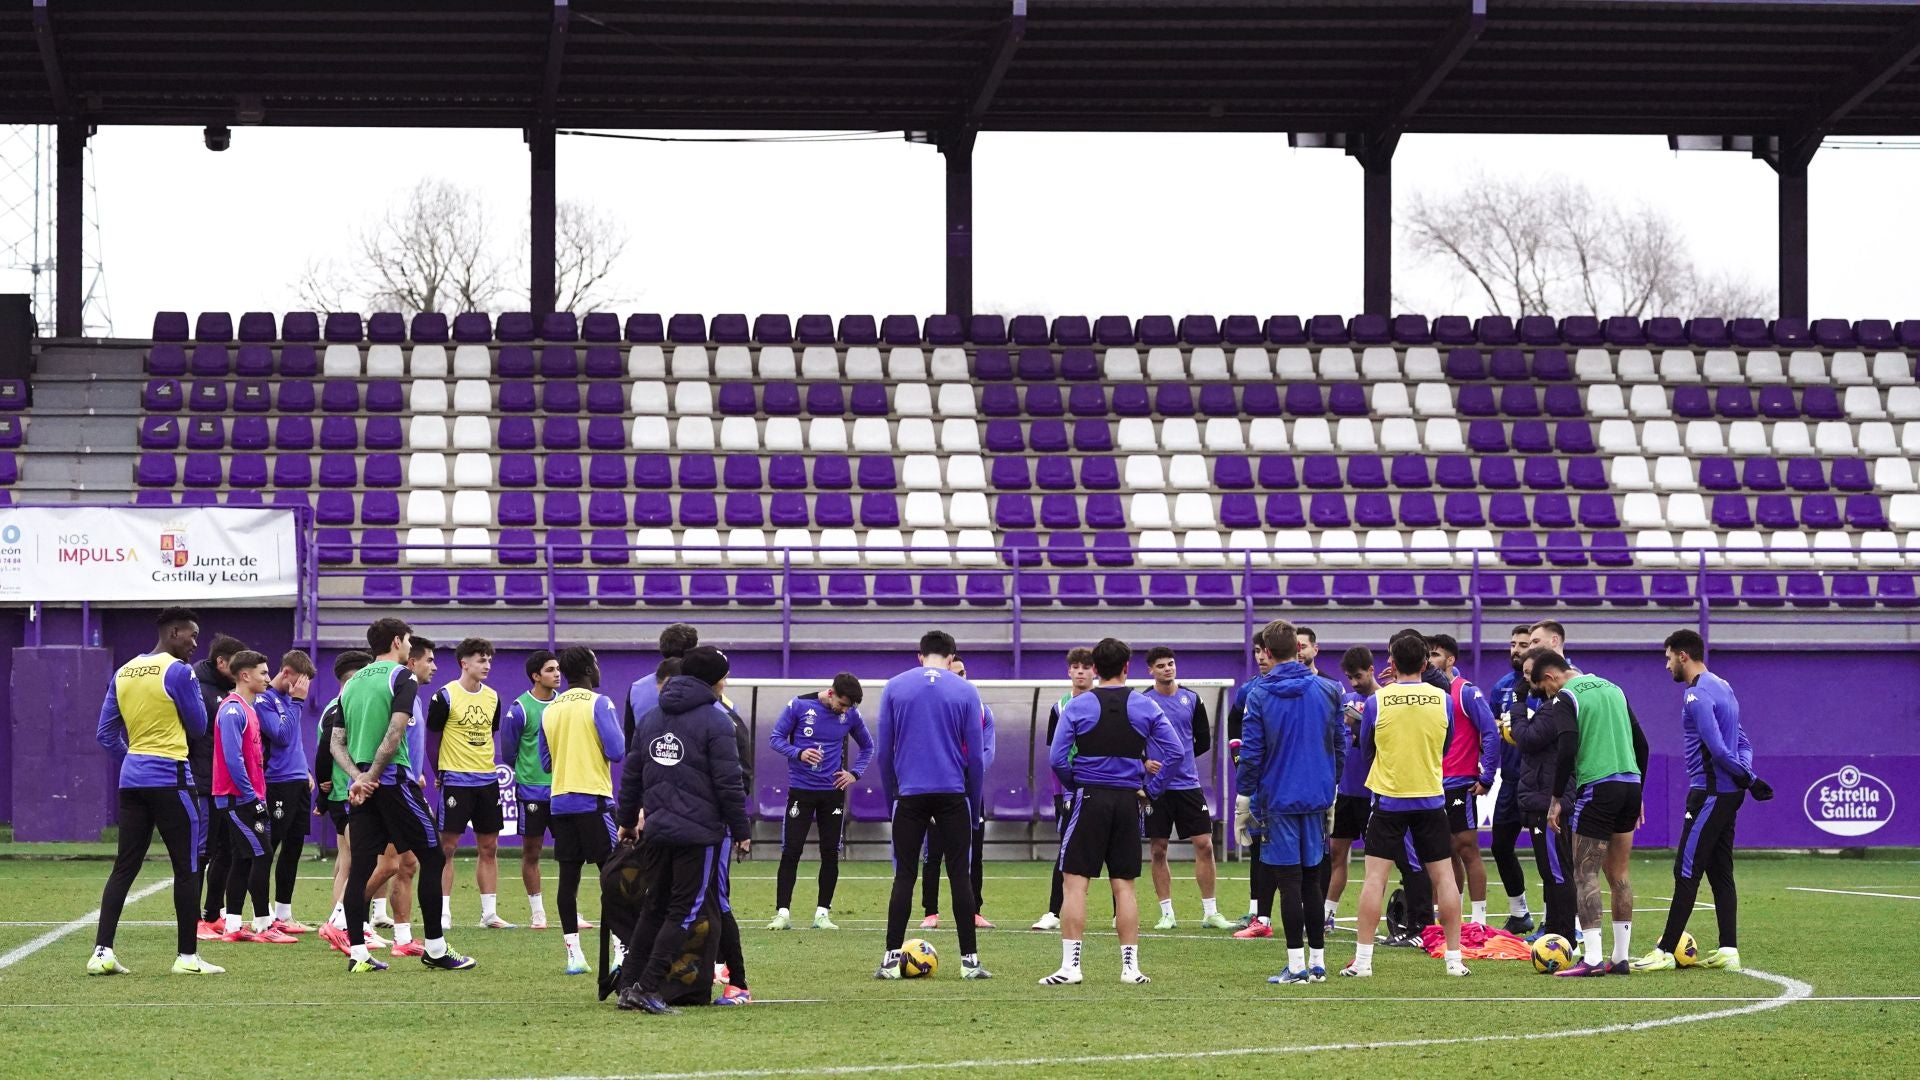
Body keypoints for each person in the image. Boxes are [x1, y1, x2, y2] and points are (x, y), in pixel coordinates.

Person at [331, 618, 474, 974]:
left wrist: (359, 778)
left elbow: (336, 742)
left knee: (362, 867)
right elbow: (395, 733)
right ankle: (436, 950)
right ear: (397, 642)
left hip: (365, 785)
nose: (410, 648)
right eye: (409, 641)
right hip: (392, 781)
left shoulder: (350, 686)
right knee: (433, 856)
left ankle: (358, 954)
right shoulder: (401, 676)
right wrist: (374, 777)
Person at [615, 646, 751, 1015]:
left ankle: (627, 985)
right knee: (685, 912)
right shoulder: (717, 720)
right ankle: (648, 986)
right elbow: (729, 783)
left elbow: (631, 777)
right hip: (699, 833)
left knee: (653, 909)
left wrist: (627, 822)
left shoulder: (652, 717)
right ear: (714, 679)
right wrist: (741, 830)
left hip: (658, 830)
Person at [89, 607, 221, 976]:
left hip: (132, 781)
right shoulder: (179, 672)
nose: (195, 644)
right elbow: (197, 726)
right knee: (188, 866)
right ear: (174, 632)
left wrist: (134, 758)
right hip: (172, 779)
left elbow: (105, 734)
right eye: (192, 636)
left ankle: (102, 953)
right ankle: (187, 958)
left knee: (124, 867)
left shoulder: (124, 671)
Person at [1043, 637, 1182, 986]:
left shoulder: (1077, 706)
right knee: (1125, 886)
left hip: (1090, 798)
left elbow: (1057, 758)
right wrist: (1151, 789)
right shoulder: (1146, 706)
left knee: (1075, 884)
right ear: (1126, 667)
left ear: (1094, 669)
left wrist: (1077, 784)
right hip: (1127, 801)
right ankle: (1130, 969)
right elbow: (1176, 753)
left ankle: (1071, 968)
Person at [1634, 630, 1774, 973]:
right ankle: (1729, 949)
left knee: (1686, 868)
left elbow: (1716, 748)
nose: (1667, 666)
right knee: (1720, 871)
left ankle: (1665, 950)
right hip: (1729, 795)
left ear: (1683, 656)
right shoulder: (1723, 686)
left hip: (1709, 794)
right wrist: (1746, 777)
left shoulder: (1695, 696)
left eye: (1668, 658)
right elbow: (1743, 742)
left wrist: (1749, 779)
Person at [1342, 633, 1470, 978]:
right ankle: (1454, 960)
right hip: (1430, 797)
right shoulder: (1444, 700)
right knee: (1444, 878)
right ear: (1426, 664)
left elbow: (1367, 749)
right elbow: (1445, 745)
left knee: (1374, 880)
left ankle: (1364, 963)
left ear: (1392, 664)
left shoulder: (1377, 702)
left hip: (1389, 798)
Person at [874, 630, 992, 981]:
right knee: (960, 876)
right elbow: (977, 758)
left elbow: (884, 753)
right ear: (952, 658)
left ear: (919, 655)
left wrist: (891, 796)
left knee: (905, 876)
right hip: (953, 793)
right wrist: (972, 802)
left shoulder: (894, 686)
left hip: (909, 794)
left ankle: (890, 961)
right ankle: (970, 963)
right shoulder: (966, 690)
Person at [1237, 620, 1344, 985]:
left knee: (1289, 883)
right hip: (1315, 797)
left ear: (1266, 652)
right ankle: (1317, 963)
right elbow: (1339, 744)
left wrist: (1243, 798)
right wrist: (1331, 785)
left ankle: (1297, 966)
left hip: (1277, 799)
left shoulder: (1259, 694)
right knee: (1312, 880)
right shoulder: (1329, 690)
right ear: (1298, 649)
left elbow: (1251, 753)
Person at [1531, 649, 1649, 977]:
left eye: (1544, 688)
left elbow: (1567, 746)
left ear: (1551, 677)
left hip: (1597, 788)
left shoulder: (1566, 697)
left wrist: (1556, 797)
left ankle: (1594, 958)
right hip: (1629, 785)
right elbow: (1643, 744)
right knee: (1620, 874)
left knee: (1585, 874)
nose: (1547, 695)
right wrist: (1639, 787)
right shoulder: (1614, 688)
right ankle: (1621, 957)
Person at [536, 646, 626, 977]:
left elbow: (546, 761)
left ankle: (574, 955)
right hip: (594, 799)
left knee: (568, 879)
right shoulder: (600, 703)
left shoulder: (550, 708)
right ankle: (620, 950)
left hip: (560, 802)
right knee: (613, 877)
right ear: (589, 669)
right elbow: (617, 750)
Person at [209, 650, 300, 945]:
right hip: (238, 798)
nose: (266, 677)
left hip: (247, 796)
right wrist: (252, 797)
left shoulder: (248, 709)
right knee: (261, 854)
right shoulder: (233, 709)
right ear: (245, 676)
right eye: (262, 672)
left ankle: (234, 925)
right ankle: (263, 923)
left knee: (244, 859)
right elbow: (233, 760)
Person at [769, 672, 871, 931]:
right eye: (842, 704)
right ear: (831, 692)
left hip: (832, 793)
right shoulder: (799, 706)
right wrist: (799, 753)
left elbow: (868, 746)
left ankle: (822, 914)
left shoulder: (850, 716)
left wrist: (854, 773)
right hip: (801, 791)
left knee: (830, 853)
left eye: (848, 707)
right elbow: (776, 739)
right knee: (791, 851)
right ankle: (782, 913)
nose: (843, 710)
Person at [1139, 646, 1229, 930]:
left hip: (1189, 784)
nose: (1168, 669)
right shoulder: (1142, 702)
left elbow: (1203, 740)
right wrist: (1145, 761)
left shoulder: (1192, 699)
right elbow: (1132, 740)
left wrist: (1181, 759)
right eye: (1161, 665)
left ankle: (1210, 912)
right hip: (1157, 787)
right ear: (1150, 670)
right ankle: (1167, 913)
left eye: (1171, 664)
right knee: (1158, 849)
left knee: (1204, 845)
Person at [428, 637, 514, 931]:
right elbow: (432, 740)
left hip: (487, 781)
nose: (486, 665)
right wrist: (439, 770)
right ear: (464, 663)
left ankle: (489, 913)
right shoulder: (445, 696)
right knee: (447, 847)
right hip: (456, 779)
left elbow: (491, 735)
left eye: (489, 659)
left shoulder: (493, 697)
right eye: (481, 659)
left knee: (489, 846)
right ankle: (443, 913)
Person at [1426, 633, 1499, 926]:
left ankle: (1479, 921)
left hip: (1458, 783)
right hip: (1429, 785)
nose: (1430, 660)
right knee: (1439, 853)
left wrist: (1487, 776)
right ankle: (1445, 918)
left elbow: (1490, 732)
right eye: (1427, 655)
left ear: (1450, 659)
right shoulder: (1423, 692)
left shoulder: (1466, 691)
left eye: (1435, 654)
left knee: (1466, 847)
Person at [920, 654, 996, 930]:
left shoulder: (983, 711)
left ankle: (974, 911)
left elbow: (987, 751)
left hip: (969, 790)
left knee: (974, 852)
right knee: (934, 853)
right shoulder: (933, 713)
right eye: (953, 673)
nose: (959, 678)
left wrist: (969, 773)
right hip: (938, 788)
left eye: (962, 673)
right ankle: (931, 912)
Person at [1510, 651, 1576, 943]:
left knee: (1557, 871)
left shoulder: (1553, 707)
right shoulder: (1551, 706)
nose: (1528, 682)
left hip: (1548, 799)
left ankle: (1563, 935)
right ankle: (1557, 930)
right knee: (1552, 871)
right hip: (1543, 796)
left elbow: (1527, 739)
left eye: (1529, 676)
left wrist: (1517, 703)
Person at [1033, 647, 1096, 931]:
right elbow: (1054, 755)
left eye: (1086, 666)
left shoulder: (1104, 703)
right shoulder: (1059, 708)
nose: (1081, 671)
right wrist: (1059, 796)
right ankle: (1053, 913)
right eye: (1076, 667)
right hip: (1072, 790)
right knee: (1065, 851)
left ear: (1095, 670)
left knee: (1110, 851)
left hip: (1104, 785)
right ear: (1069, 671)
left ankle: (1119, 914)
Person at [498, 649, 562, 929]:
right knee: (532, 852)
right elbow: (510, 752)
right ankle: (538, 911)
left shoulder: (564, 705)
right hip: (532, 791)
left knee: (569, 853)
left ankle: (568, 907)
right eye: (550, 670)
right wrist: (528, 772)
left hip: (563, 789)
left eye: (558, 669)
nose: (557, 674)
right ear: (536, 676)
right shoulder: (519, 709)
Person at [316, 650, 375, 954]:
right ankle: (342, 926)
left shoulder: (341, 705)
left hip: (343, 793)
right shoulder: (338, 709)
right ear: (353, 677)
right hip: (344, 793)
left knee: (346, 860)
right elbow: (326, 750)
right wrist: (324, 794)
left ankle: (344, 925)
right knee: (356, 861)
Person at [255, 649, 316, 935]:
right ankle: (262, 914)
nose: (304, 689)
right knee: (269, 847)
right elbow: (281, 736)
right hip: (276, 782)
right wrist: (298, 701)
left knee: (293, 848)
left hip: (297, 782)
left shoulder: (290, 702)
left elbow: (294, 743)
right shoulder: (264, 700)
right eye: (301, 681)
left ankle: (284, 914)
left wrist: (304, 770)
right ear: (287, 673)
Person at [192, 633, 245, 940]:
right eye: (235, 666)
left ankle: (213, 914)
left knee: (225, 849)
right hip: (202, 784)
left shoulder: (227, 691)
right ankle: (193, 918)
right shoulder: (198, 688)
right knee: (201, 851)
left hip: (223, 786)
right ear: (222, 662)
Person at [1324, 645, 1377, 933]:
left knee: (1376, 862)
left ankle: (1371, 920)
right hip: (1346, 792)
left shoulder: (1383, 701)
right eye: (1349, 677)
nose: (1354, 683)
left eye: (1358, 676)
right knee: (1336, 853)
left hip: (1374, 793)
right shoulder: (1347, 702)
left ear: (1371, 669)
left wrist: (1362, 724)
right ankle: (1327, 914)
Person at [1488, 624, 1537, 935]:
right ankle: (1519, 912)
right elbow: (1490, 723)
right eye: (1513, 644)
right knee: (1500, 846)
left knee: (1549, 853)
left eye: (1523, 644)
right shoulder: (1502, 686)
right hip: (1510, 779)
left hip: (1540, 781)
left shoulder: (1551, 683)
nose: (1516, 650)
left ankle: (1563, 919)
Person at [1228, 635, 1278, 932]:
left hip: (1284, 780)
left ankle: (1316, 910)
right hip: (1259, 782)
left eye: (1265, 651)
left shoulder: (1300, 687)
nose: (1260, 657)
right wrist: (1238, 756)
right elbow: (1235, 723)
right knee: (1257, 844)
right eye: (1257, 651)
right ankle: (1257, 910)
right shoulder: (1249, 689)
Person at [624, 622, 699, 751]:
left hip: (647, 766)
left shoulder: (637, 688)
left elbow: (630, 741)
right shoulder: (703, 686)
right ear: (692, 652)